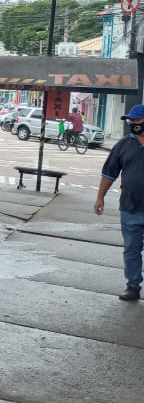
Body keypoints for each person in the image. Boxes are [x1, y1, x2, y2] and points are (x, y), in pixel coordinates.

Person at [93, 104, 144, 302]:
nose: (133, 124)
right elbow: (109, 173)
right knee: (131, 249)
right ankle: (133, 286)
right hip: (130, 208)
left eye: (137, 120)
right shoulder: (122, 145)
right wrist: (100, 197)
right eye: (130, 121)